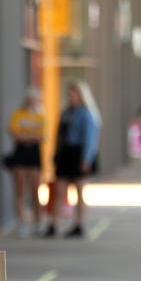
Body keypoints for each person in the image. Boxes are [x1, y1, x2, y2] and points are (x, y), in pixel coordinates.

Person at [45, 82, 99, 238]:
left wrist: (86, 159)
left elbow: (89, 138)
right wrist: (56, 154)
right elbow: (59, 136)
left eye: (73, 94)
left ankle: (79, 224)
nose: (70, 97)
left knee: (80, 191)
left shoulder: (86, 114)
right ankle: (52, 224)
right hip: (65, 154)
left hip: (78, 153)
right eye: (68, 94)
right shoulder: (65, 113)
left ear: (80, 96)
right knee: (58, 190)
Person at [5, 89, 45, 237]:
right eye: (30, 99)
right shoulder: (17, 114)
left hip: (34, 154)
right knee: (20, 190)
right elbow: (15, 134)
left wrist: (25, 135)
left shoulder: (41, 115)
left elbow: (42, 136)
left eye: (35, 99)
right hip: (20, 154)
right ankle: (22, 222)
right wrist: (30, 136)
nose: (32, 101)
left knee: (35, 189)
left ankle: (38, 221)